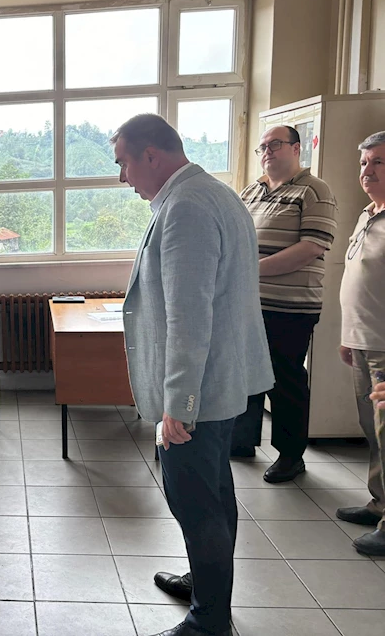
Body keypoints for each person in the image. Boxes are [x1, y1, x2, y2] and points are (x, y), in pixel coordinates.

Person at [113, 114, 273, 636]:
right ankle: (206, 583)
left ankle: (209, 620)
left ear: (151, 155)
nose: (122, 177)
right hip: (221, 380)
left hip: (198, 390)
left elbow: (189, 315)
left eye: (124, 163)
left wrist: (179, 405)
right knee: (213, 492)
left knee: (196, 500)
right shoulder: (213, 193)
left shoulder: (186, 207)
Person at [231, 125, 338, 482]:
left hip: (290, 305)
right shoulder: (252, 190)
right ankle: (241, 440)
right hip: (250, 302)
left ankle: (291, 456)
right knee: (246, 372)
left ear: (296, 148)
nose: (267, 152)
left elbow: (311, 247)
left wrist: (251, 270)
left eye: (275, 145)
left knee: (284, 380)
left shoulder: (314, 190)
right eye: (262, 146)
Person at [336, 131, 385, 556]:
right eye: (364, 163)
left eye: (378, 162)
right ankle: (380, 503)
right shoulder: (368, 214)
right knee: (372, 430)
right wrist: (347, 334)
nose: (367, 171)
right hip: (362, 340)